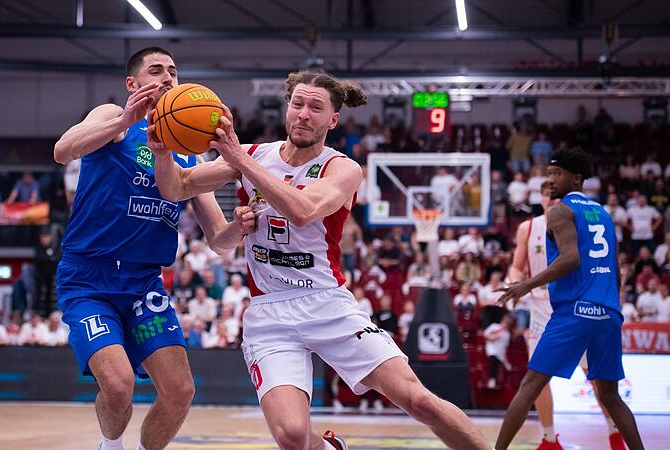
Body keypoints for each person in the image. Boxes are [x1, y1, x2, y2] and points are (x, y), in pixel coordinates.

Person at [151, 68, 489, 450]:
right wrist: (162, 154)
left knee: (418, 399)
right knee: (292, 436)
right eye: (297, 104)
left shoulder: (342, 167)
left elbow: (304, 210)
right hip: (270, 313)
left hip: (327, 303)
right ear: (287, 109)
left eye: (315, 107)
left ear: (332, 119)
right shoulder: (254, 155)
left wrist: (240, 161)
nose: (304, 114)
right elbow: (177, 186)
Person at [52, 46, 255, 450]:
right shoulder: (111, 118)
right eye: (156, 70)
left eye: (174, 71)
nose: (167, 77)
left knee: (180, 391)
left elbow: (218, 240)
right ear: (133, 84)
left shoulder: (188, 148)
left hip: (144, 282)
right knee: (119, 385)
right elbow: (62, 151)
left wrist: (240, 227)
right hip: (89, 278)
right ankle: (110, 447)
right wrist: (126, 118)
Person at [495, 148, 644, 450]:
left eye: (557, 174)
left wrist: (526, 285)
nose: (550, 180)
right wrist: (612, 307)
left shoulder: (560, 210)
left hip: (575, 311)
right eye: (549, 174)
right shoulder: (603, 213)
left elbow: (571, 259)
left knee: (529, 386)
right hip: (608, 314)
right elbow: (614, 270)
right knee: (610, 397)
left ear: (576, 178)